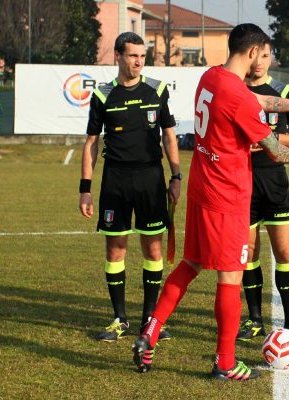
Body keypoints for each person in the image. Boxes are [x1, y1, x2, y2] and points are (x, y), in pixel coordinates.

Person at [133, 23, 289, 381]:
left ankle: (150, 332)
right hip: (228, 196)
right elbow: (278, 152)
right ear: (253, 53)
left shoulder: (212, 77)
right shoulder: (237, 96)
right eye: (261, 54)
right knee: (230, 278)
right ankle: (224, 361)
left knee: (189, 264)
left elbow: (263, 101)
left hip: (202, 188)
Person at [79, 32, 181, 342]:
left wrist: (176, 176)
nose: (138, 61)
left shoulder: (157, 90)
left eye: (142, 56)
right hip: (116, 180)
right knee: (115, 248)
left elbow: (169, 136)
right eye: (132, 55)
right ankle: (119, 319)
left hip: (150, 178)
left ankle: (150, 320)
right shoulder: (102, 95)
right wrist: (85, 187)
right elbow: (92, 143)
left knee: (153, 248)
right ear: (118, 57)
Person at [237, 42, 289, 344]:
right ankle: (255, 319)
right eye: (255, 55)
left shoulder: (284, 95)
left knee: (285, 253)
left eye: (266, 56)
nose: (259, 62)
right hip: (243, 182)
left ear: (271, 59)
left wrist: (268, 140)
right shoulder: (238, 93)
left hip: (275, 182)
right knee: (250, 254)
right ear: (247, 57)